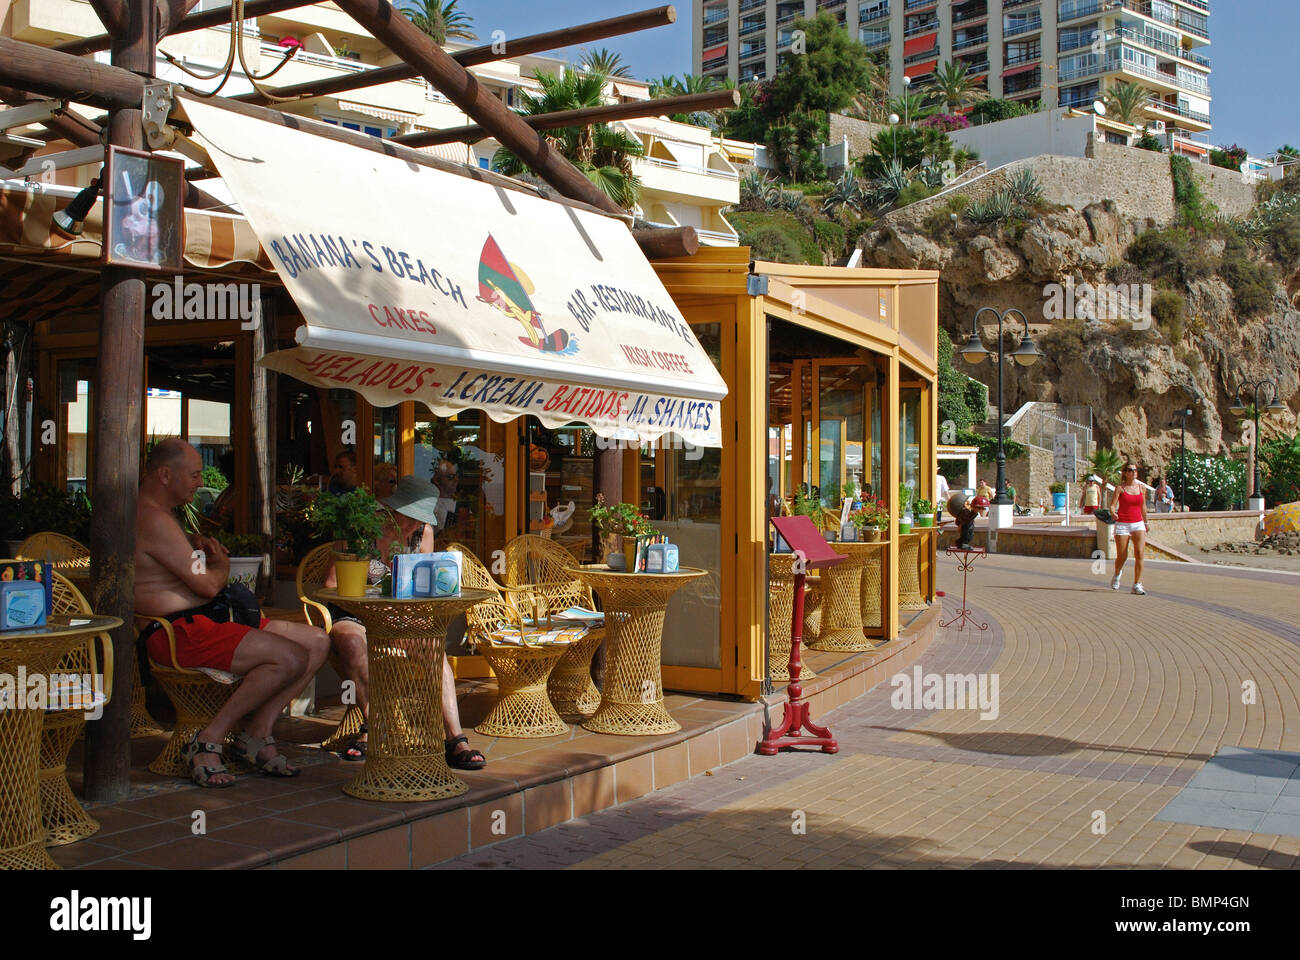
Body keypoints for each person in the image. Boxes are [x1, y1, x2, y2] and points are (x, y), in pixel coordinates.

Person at [135, 439, 329, 787]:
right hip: (177, 633)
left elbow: (188, 575)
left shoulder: (163, 516)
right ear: (165, 474)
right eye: (194, 475)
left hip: (206, 620)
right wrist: (221, 563)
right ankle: (208, 740)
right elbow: (208, 586)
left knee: (316, 642)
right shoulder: (151, 517)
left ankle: (256, 733)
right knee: (288, 658)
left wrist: (198, 550)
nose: (199, 481)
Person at [325, 475, 486, 771]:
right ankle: (373, 727)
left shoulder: (422, 531)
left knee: (433, 652)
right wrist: (368, 596)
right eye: (411, 518)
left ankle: (455, 740)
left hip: (398, 614)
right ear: (394, 510)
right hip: (355, 612)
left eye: (421, 520)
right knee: (351, 643)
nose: (416, 525)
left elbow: (423, 579)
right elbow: (332, 582)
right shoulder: (363, 527)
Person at [1109, 461, 1149, 595]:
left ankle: (1137, 584)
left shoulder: (1142, 488)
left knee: (1140, 553)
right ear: (1125, 473)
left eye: (1135, 470)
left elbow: (1143, 506)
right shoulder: (1120, 488)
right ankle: (1117, 574)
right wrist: (1113, 512)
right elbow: (1113, 505)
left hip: (1138, 523)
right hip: (1123, 523)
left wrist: (1146, 522)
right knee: (1122, 555)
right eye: (1131, 470)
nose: (1134, 473)